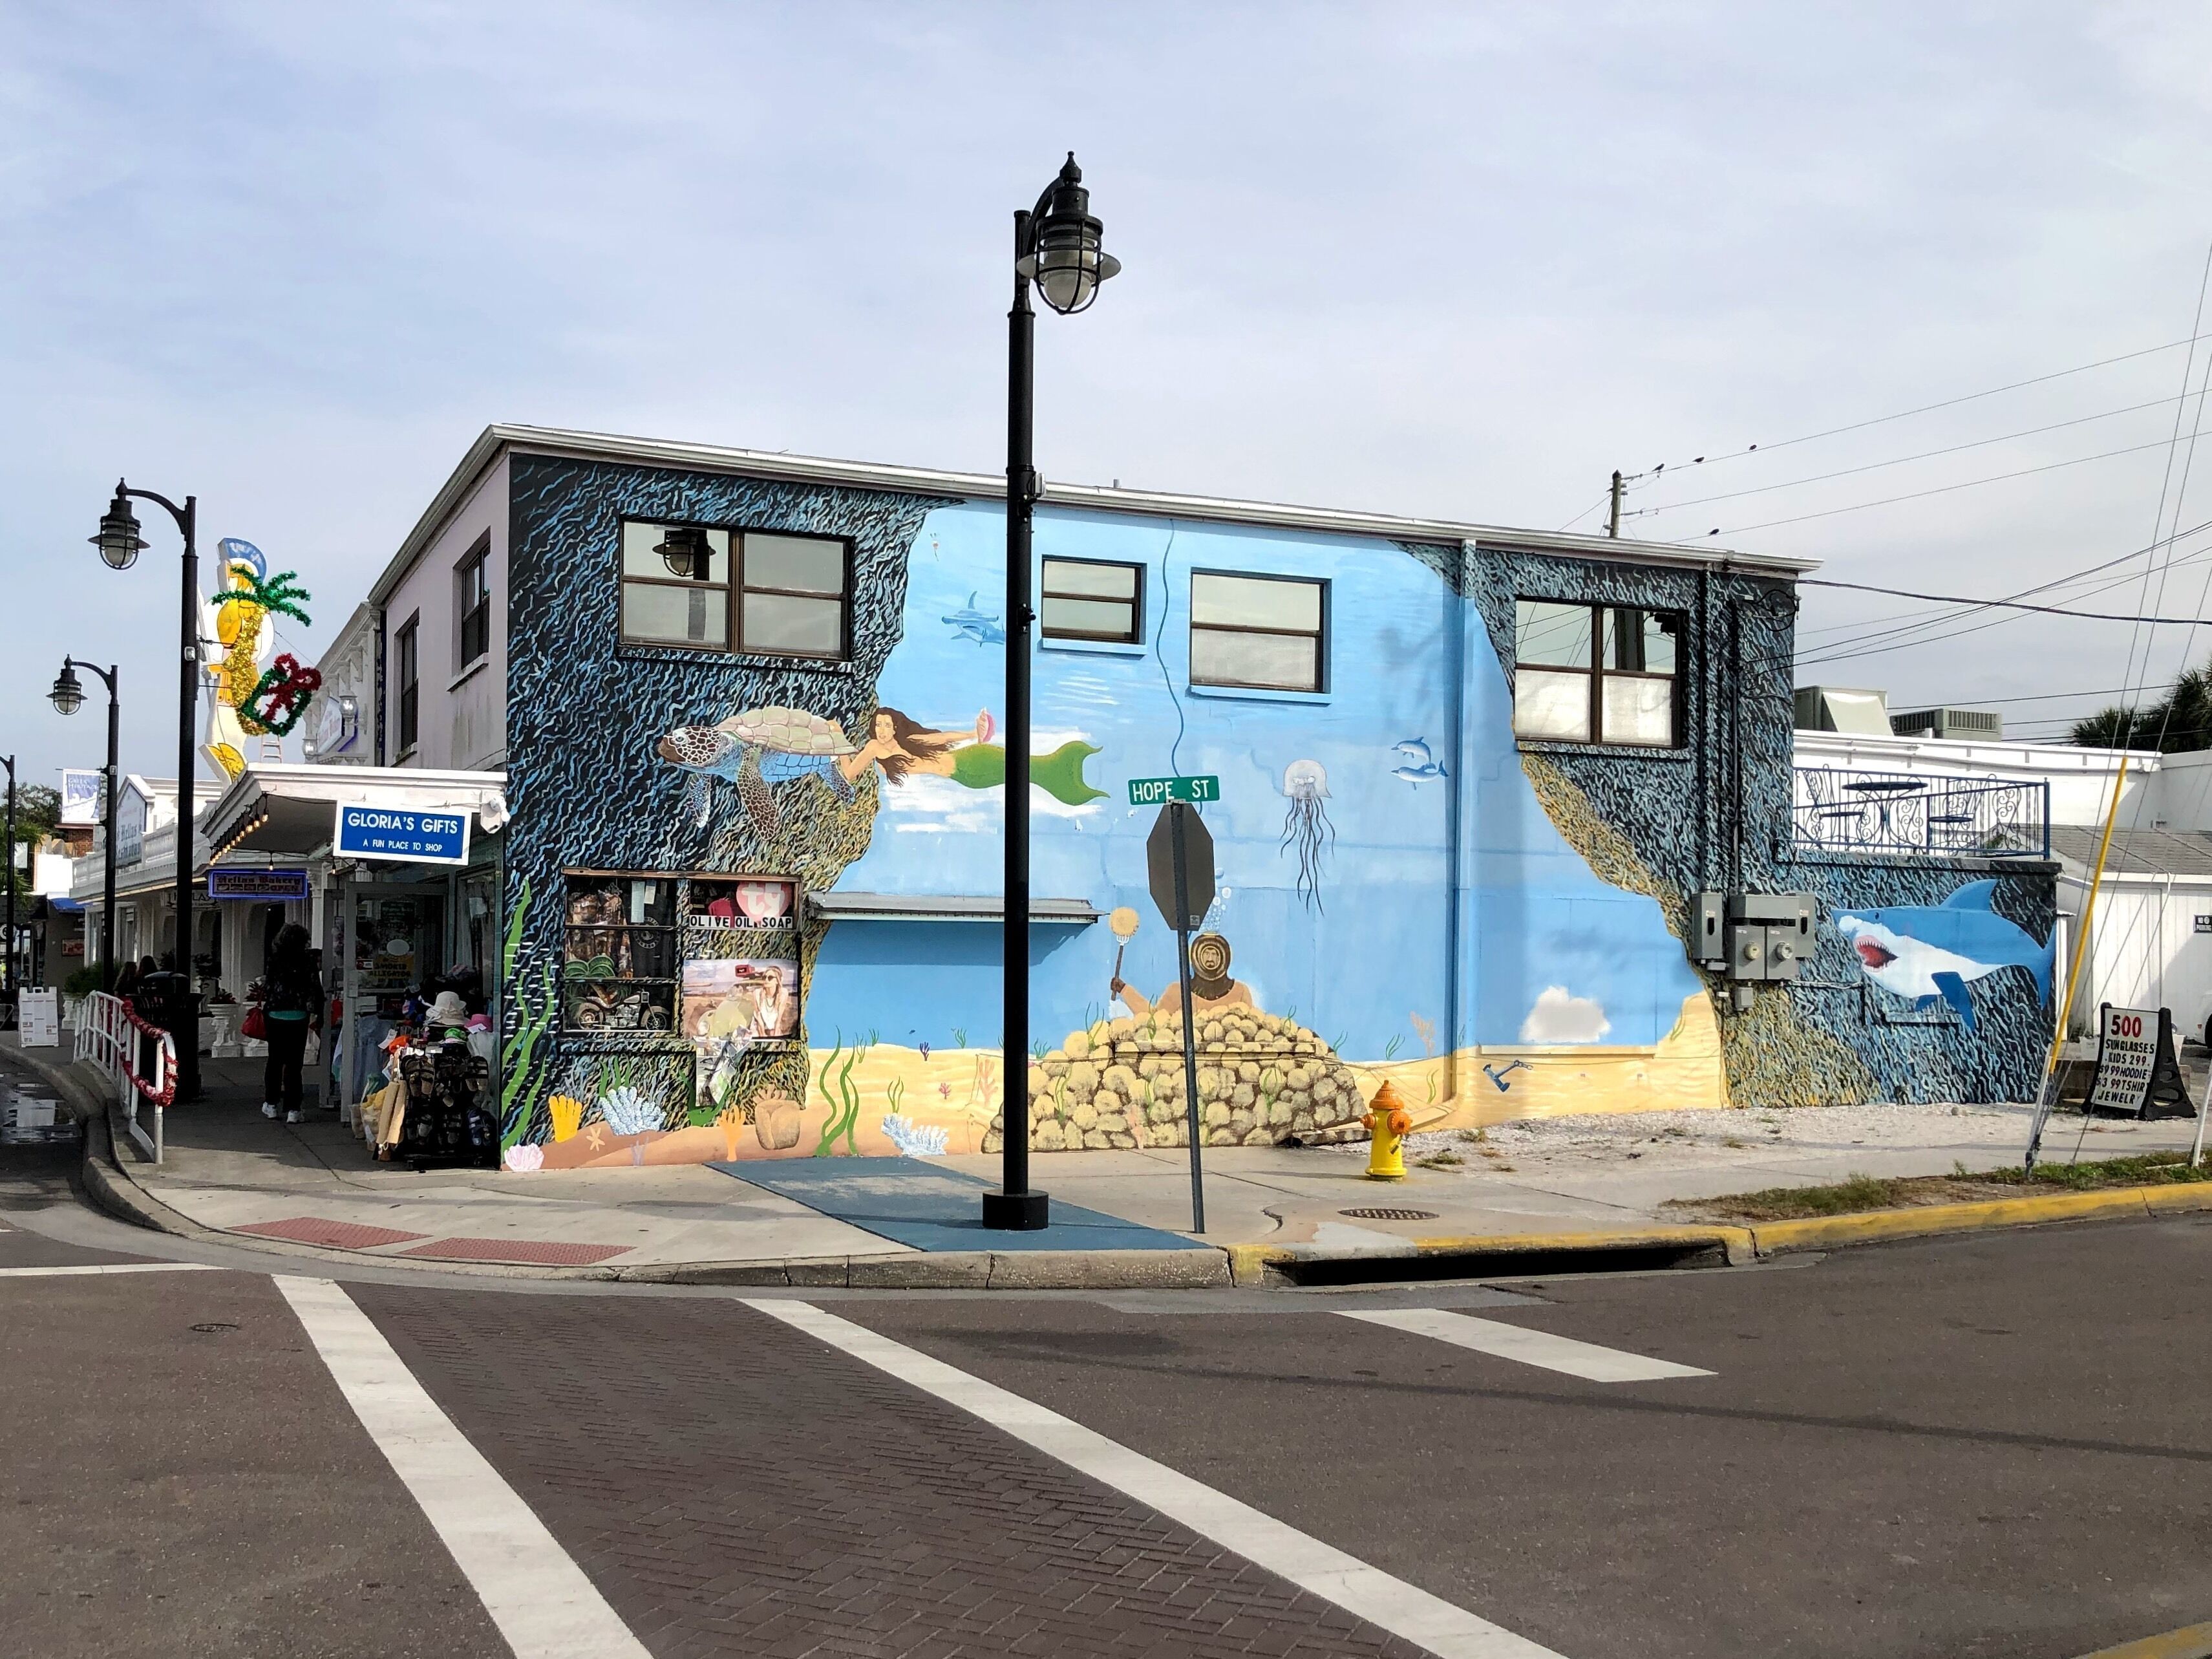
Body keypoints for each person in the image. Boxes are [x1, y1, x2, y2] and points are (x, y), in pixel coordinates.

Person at [260, 923, 324, 1125]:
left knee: (275, 1060)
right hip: (298, 1014)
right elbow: (315, 987)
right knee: (294, 1064)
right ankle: (294, 1109)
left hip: (275, 1013)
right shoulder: (308, 960)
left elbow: (268, 986)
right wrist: (319, 1012)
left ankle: (271, 1104)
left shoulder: (274, 959)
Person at [1111, 932, 1257, 1020]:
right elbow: (1155, 1022)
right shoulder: (1178, 991)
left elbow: (1252, 1026)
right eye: (1206, 954)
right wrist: (1125, 990)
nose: (1211, 959)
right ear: (1196, 958)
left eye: (1215, 954)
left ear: (1224, 958)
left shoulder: (1240, 991)